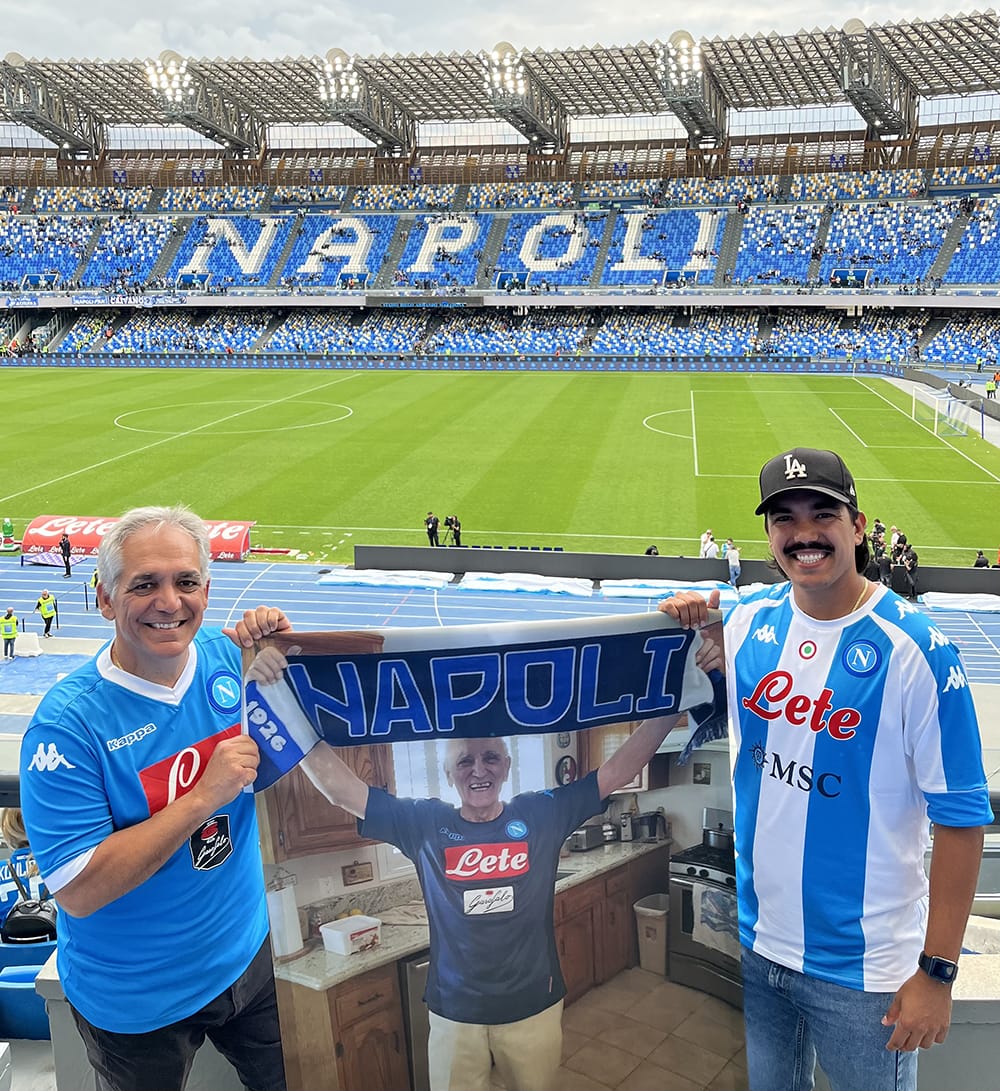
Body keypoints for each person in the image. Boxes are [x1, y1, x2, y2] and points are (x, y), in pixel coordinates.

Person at [241, 606, 723, 1091]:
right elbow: (342, 790)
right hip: (455, 1013)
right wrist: (284, 706)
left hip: (533, 1006)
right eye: (465, 761)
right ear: (449, 773)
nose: (479, 770)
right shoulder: (424, 822)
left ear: (506, 766)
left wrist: (676, 699)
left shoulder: (541, 812)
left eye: (491, 757)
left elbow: (617, 771)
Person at [662, 448, 989, 1091]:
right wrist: (683, 613)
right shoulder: (747, 622)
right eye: (784, 518)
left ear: (858, 526)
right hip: (756, 946)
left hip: (866, 976)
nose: (803, 532)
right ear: (768, 535)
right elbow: (673, 659)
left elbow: (962, 819)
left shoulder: (918, 650)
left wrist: (937, 973)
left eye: (823, 514)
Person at [19, 506, 289, 1091]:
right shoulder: (66, 727)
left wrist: (283, 645)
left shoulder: (230, 658)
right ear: (105, 599)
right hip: (136, 1001)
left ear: (206, 592)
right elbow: (79, 890)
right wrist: (201, 797)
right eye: (144, 584)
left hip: (248, 954)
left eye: (185, 581)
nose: (169, 602)